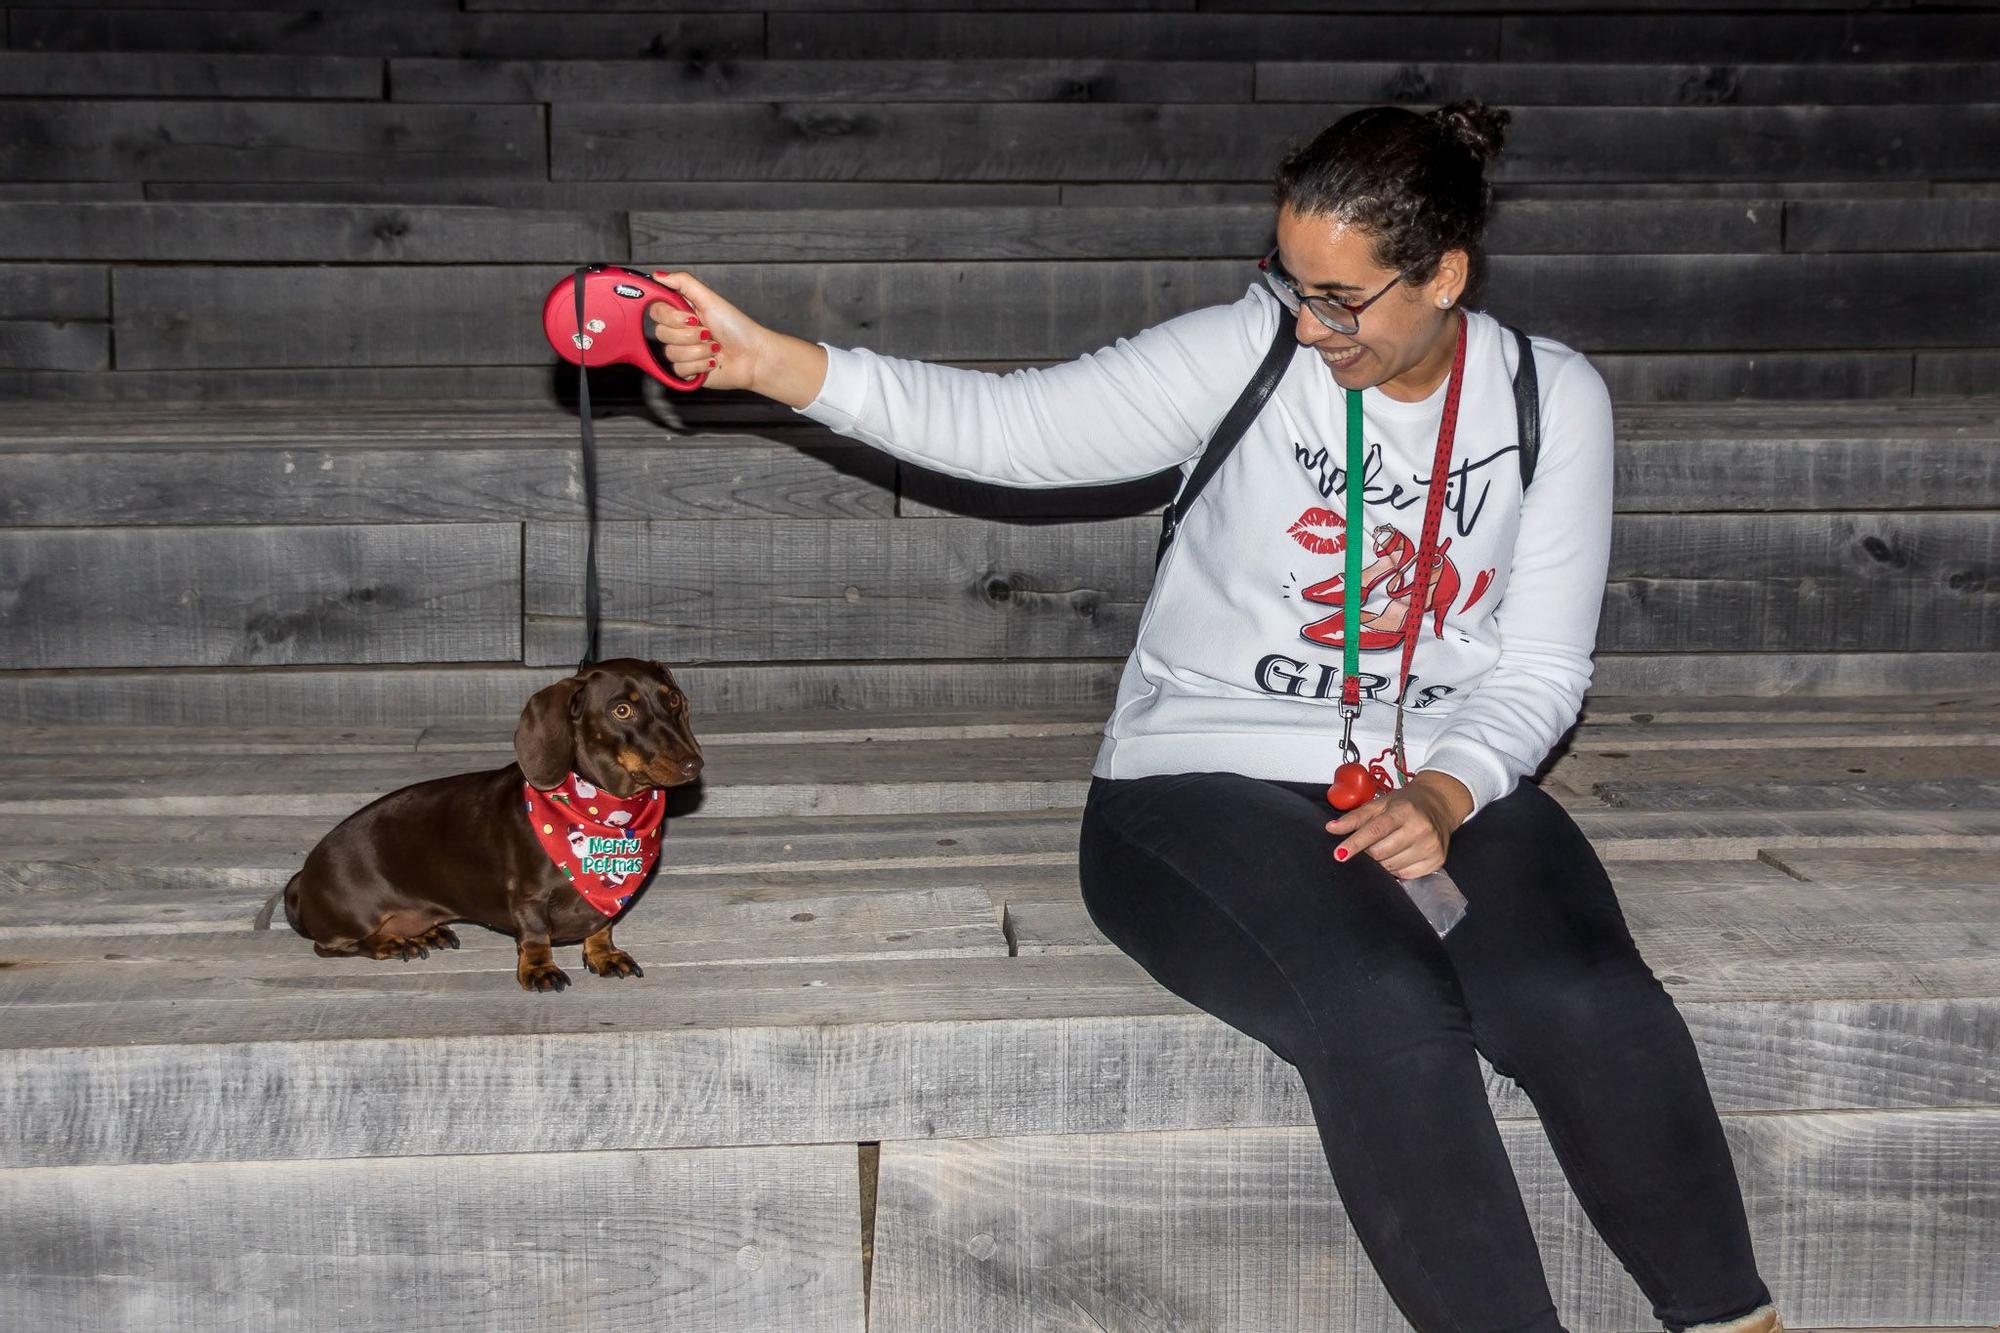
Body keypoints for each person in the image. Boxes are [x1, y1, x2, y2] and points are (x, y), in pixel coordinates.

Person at [641, 98, 1784, 1333]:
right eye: (1290, 280)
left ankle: (1732, 1320)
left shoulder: (1547, 400)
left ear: (1443, 274)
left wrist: (1450, 789)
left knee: (1581, 996)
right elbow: (1012, 428)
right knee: (1382, 1009)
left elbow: (1542, 664)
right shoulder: (1248, 353)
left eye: (1341, 296)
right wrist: (771, 365)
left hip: (1434, 772)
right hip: (1195, 780)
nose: (1309, 318)